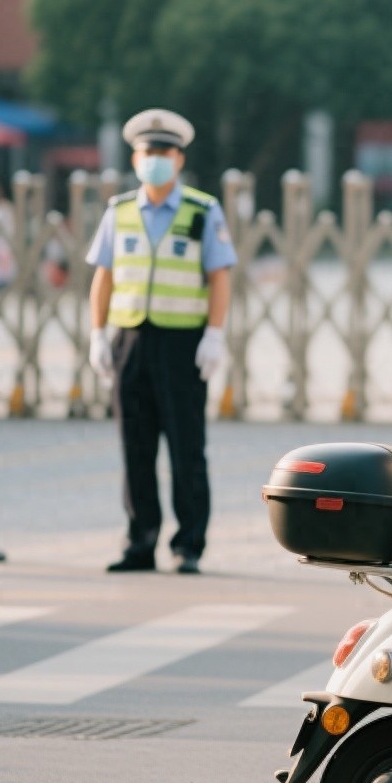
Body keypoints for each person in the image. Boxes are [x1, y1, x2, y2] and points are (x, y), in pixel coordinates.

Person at [86, 109, 236, 575]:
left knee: (186, 446)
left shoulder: (201, 211)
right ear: (135, 157)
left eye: (163, 152)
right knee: (135, 445)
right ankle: (140, 540)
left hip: (182, 342)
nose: (155, 160)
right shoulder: (120, 212)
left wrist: (214, 333)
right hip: (131, 339)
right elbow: (103, 278)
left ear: (179, 158)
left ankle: (188, 543)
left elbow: (219, 276)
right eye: (147, 152)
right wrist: (96, 332)